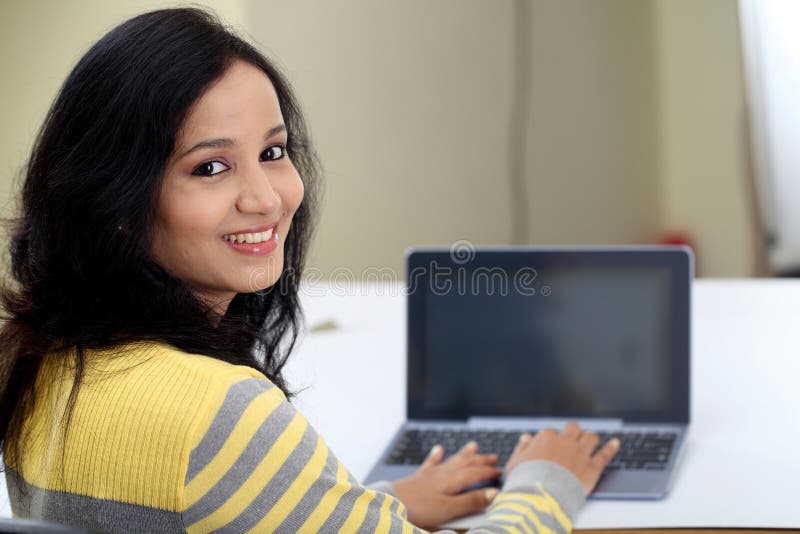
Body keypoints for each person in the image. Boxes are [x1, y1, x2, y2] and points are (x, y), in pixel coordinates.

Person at [0, 7, 619, 533]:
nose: (266, 198)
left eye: (273, 152)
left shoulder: (42, 355)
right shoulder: (220, 416)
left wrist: (378, 509)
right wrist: (545, 484)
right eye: (210, 167)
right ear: (116, 198)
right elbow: (205, 460)